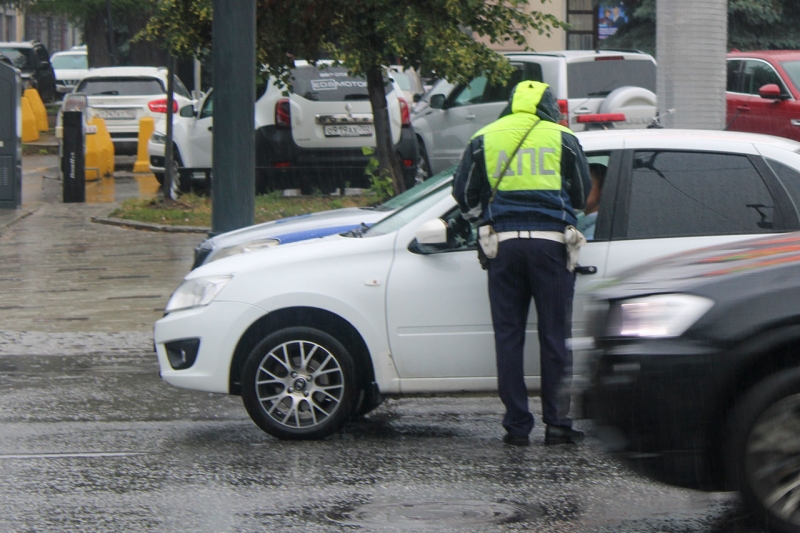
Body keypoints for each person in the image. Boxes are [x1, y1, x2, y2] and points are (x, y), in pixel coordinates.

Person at [453, 80, 592, 446]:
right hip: (550, 246)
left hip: (504, 246)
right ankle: (558, 424)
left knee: (509, 337)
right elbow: (581, 193)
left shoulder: (484, 137)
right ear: (547, 105)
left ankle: (516, 426)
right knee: (554, 336)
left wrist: (480, 218)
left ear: (512, 103)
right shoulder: (562, 137)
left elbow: (463, 192)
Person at [575, 163, 607, 240]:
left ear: (603, 189)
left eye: (587, 184)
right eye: (578, 184)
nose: (580, 189)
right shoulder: (578, 219)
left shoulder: (597, 232)